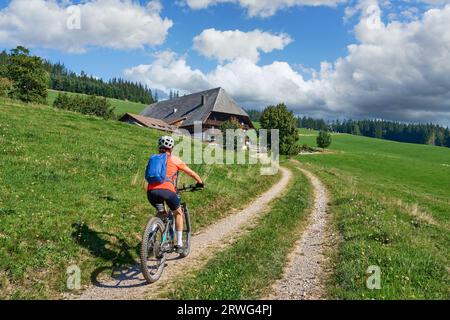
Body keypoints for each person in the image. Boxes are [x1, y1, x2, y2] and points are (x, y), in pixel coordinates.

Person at [147, 136, 204, 254]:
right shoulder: (175, 159)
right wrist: (200, 182)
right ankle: (179, 244)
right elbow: (190, 172)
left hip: (151, 192)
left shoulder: (153, 159)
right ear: (171, 148)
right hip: (168, 191)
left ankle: (149, 238)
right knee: (178, 212)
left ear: (159, 147)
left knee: (160, 214)